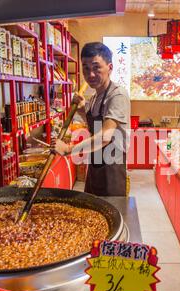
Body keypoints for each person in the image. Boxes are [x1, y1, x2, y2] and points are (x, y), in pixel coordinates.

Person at [52, 42, 130, 196]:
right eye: (86, 68)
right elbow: (94, 124)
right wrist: (82, 108)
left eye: (96, 67)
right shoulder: (95, 97)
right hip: (95, 166)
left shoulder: (117, 95)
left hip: (111, 171)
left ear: (110, 67)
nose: (90, 74)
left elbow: (105, 137)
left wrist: (69, 150)